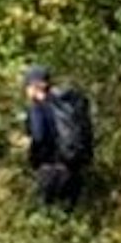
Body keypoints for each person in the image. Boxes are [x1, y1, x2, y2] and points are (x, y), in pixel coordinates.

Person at [20, 64, 95, 209]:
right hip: (74, 168)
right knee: (69, 215)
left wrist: (27, 144)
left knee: (45, 216)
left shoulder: (38, 106)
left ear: (34, 86)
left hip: (49, 170)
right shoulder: (66, 103)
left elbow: (39, 136)